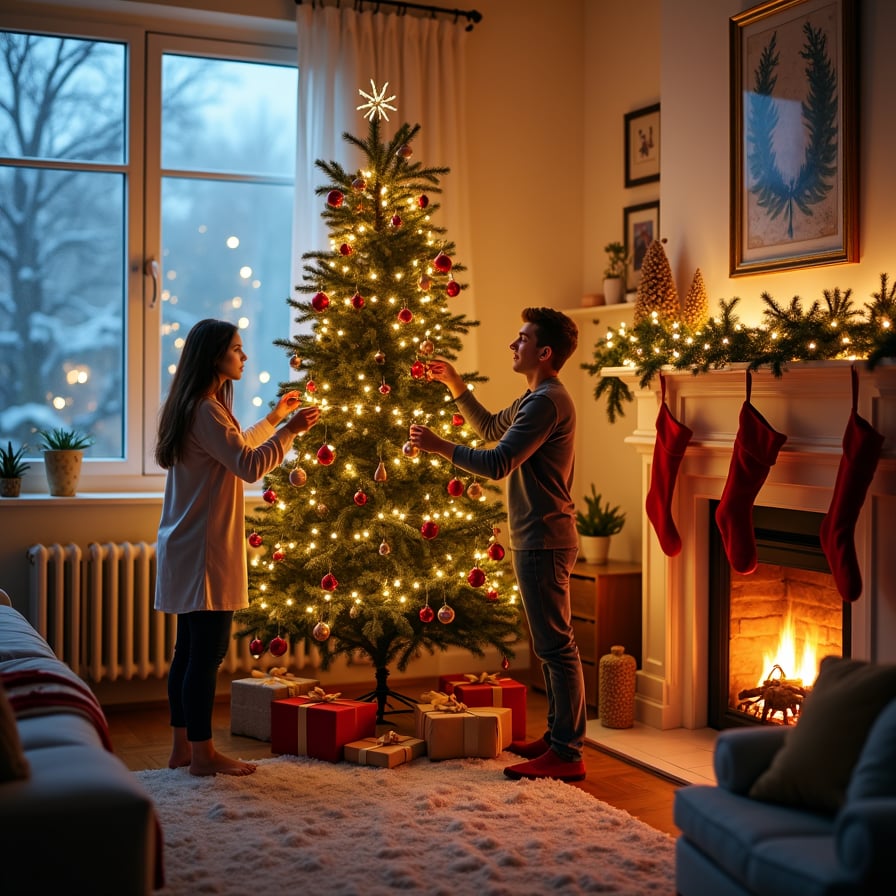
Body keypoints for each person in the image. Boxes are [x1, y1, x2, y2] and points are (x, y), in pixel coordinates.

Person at [409, 307, 587, 782]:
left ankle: (568, 753)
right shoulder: (535, 398)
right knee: (552, 646)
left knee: (555, 649)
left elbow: (497, 462)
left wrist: (439, 446)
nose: (514, 344)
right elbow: (491, 431)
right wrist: (456, 386)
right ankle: (557, 737)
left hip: (544, 539)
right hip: (539, 537)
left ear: (544, 352)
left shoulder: (547, 402)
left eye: (522, 338)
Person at [154, 319, 320, 776]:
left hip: (185, 545)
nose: (243, 357)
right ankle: (203, 754)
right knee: (205, 655)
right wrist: (289, 432)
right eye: (237, 349)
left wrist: (271, 420)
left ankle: (182, 748)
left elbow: (235, 446)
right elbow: (248, 466)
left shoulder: (195, 407)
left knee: (186, 652)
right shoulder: (206, 409)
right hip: (204, 551)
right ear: (215, 357)